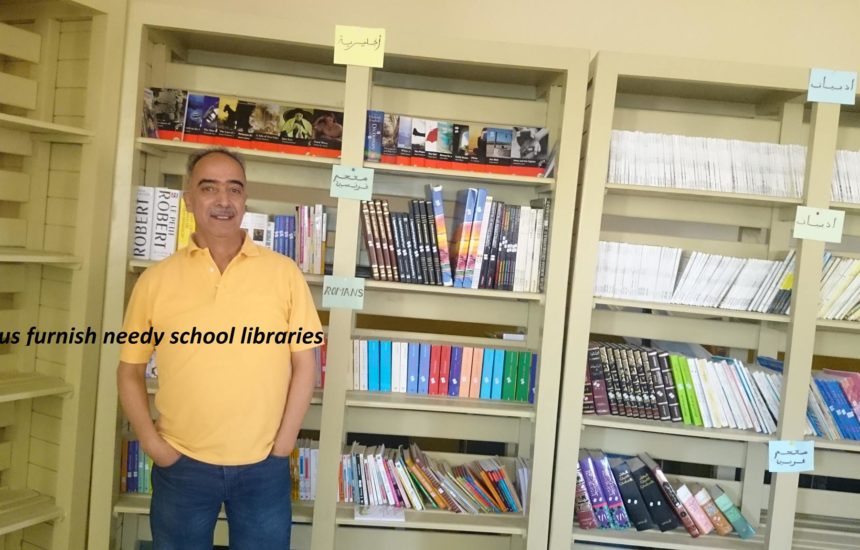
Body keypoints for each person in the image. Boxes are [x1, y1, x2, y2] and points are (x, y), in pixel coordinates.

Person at [117, 148, 323, 550]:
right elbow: (129, 371)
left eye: (234, 189)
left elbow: (305, 367)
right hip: (182, 464)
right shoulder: (156, 281)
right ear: (188, 199)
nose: (223, 200)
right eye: (208, 188)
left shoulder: (284, 274)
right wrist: (155, 446)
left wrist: (282, 447)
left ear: (245, 200)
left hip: (264, 465)